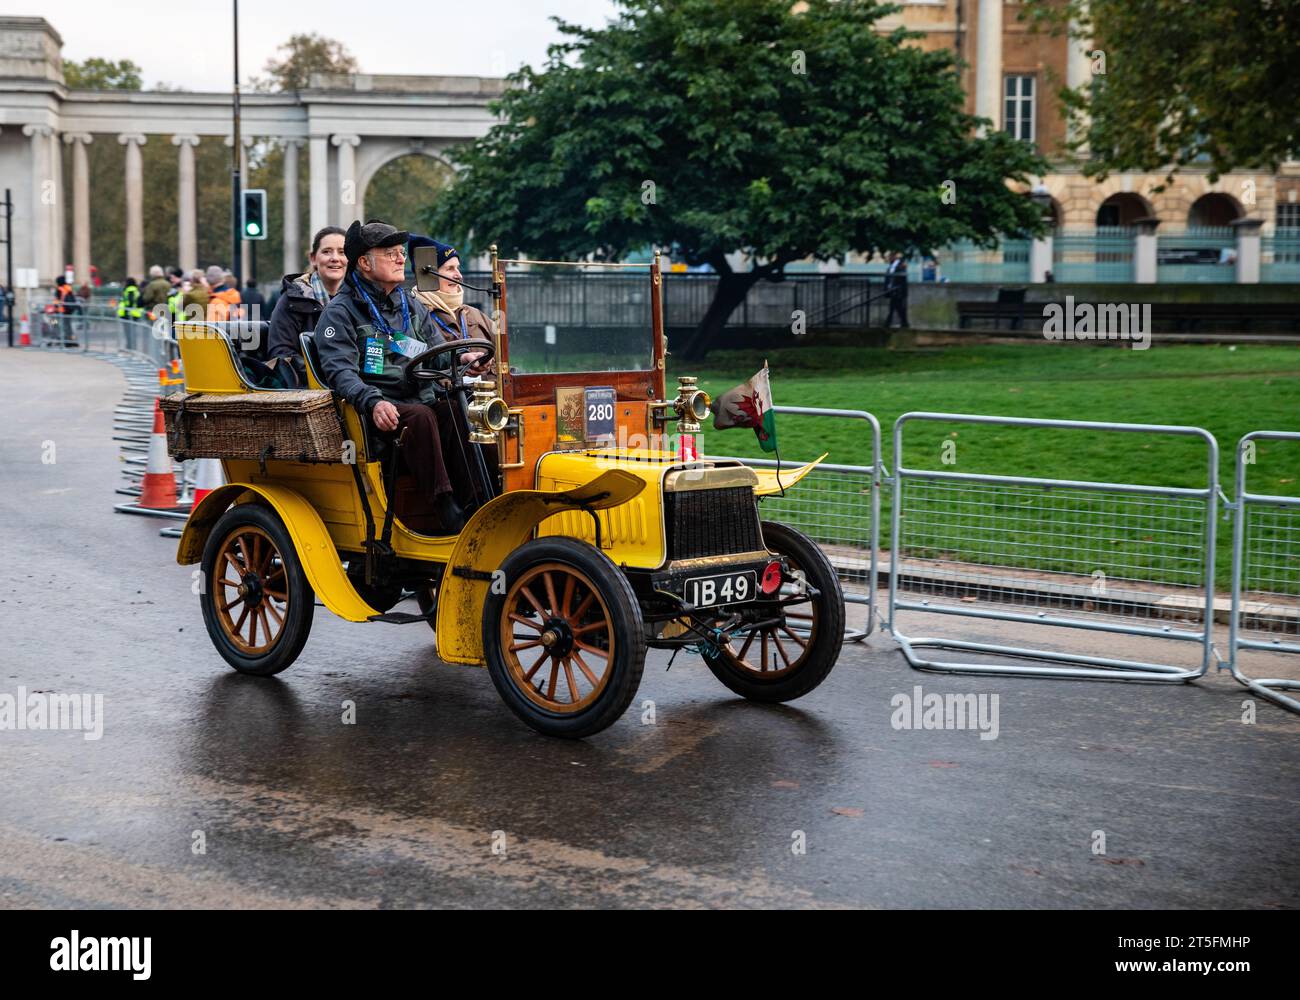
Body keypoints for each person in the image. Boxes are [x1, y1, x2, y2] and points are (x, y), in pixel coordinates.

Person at [314, 219, 471, 533]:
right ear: (365, 263)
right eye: (391, 254)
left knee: (458, 406)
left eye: (401, 252)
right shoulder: (340, 312)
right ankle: (444, 508)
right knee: (423, 416)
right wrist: (372, 403)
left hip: (416, 401)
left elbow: (437, 349)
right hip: (374, 416)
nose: (402, 259)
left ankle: (475, 500)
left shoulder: (409, 306)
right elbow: (340, 372)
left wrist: (464, 357)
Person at [266, 225, 346, 380]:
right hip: (311, 389)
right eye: (326, 251)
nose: (335, 258)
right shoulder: (291, 300)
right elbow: (281, 354)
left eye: (342, 252)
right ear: (313, 258)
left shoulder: (359, 299)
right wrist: (328, 374)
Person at [407, 235, 494, 372]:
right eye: (450, 268)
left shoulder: (478, 316)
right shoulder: (412, 316)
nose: (459, 275)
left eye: (458, 268)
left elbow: (505, 367)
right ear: (428, 276)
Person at [884, 252, 909, 328]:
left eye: (890, 257)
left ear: (894, 257)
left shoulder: (900, 266)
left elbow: (900, 279)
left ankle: (888, 322)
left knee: (895, 307)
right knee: (896, 307)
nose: (888, 258)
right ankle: (904, 323)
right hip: (893, 290)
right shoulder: (892, 267)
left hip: (897, 291)